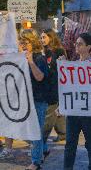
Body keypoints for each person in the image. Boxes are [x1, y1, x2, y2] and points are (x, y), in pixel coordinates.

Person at [64, 33, 91, 170]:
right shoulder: (72, 65)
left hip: (88, 111)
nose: (76, 46)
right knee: (70, 144)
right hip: (73, 110)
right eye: (76, 43)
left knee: (90, 144)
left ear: (88, 47)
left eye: (80, 44)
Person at [18, 29, 49, 170]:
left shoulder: (38, 58)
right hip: (27, 100)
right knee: (27, 129)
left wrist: (30, 62)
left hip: (38, 100)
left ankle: (36, 162)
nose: (23, 45)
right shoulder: (21, 57)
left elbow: (40, 77)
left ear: (33, 43)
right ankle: (43, 148)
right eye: (21, 42)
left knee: (35, 130)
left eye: (25, 42)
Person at [40, 29, 67, 161]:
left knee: (49, 116)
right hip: (47, 87)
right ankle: (63, 133)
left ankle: (41, 142)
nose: (42, 39)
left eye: (44, 37)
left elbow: (63, 68)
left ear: (51, 37)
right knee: (57, 111)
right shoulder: (42, 51)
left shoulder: (58, 51)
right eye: (41, 37)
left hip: (55, 86)